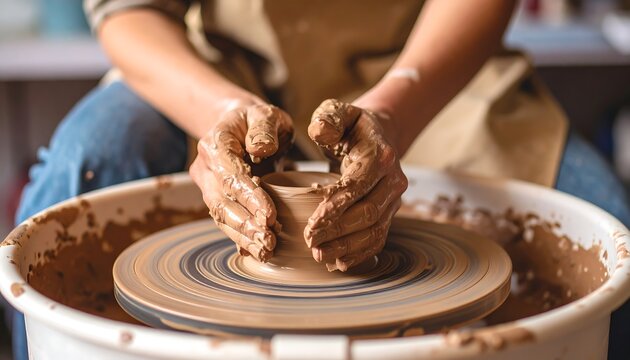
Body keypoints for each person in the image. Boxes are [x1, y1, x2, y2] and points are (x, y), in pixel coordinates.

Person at [6, 1, 630, 359]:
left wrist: (393, 111)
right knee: (84, 170)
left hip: (424, 72)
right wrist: (219, 111)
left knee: (607, 234)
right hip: (218, 65)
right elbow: (128, 11)